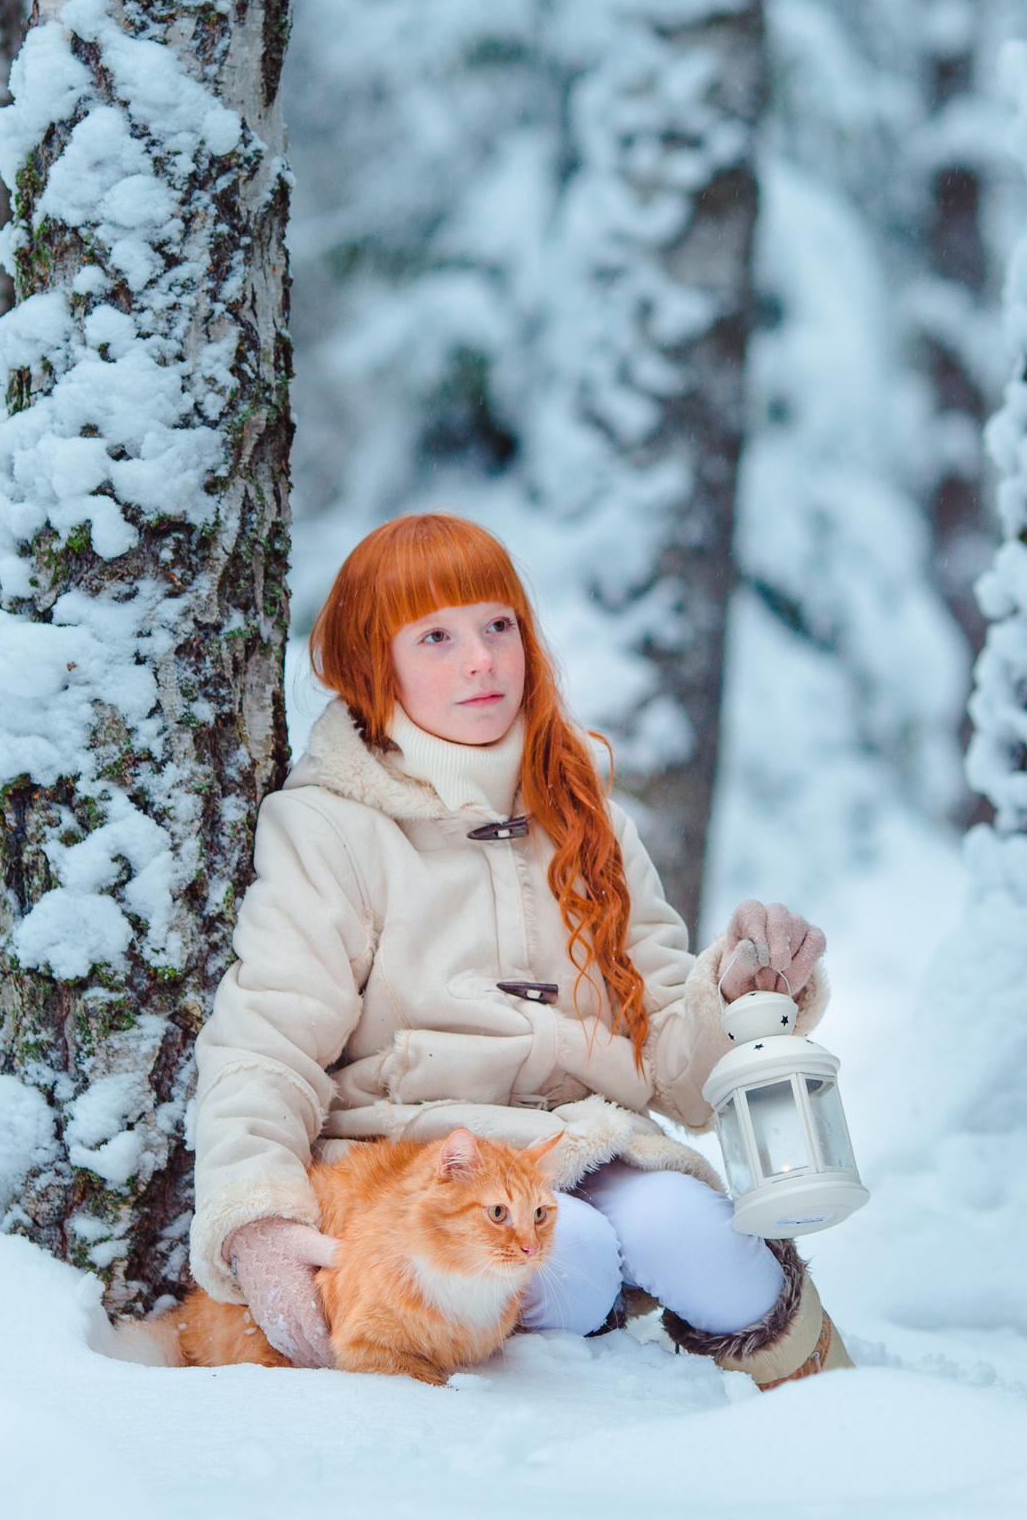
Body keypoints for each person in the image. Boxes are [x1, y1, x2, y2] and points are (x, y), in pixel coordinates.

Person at [188, 513, 850, 1387]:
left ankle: (840, 1418)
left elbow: (672, 1073)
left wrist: (735, 992)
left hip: (580, 1144)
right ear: (369, 664)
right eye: (436, 636)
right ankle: (558, 1430)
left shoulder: (586, 814)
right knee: (565, 1261)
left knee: (713, 1247)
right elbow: (265, 1044)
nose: (482, 660)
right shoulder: (329, 826)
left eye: (499, 625)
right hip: (420, 1167)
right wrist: (255, 1220)